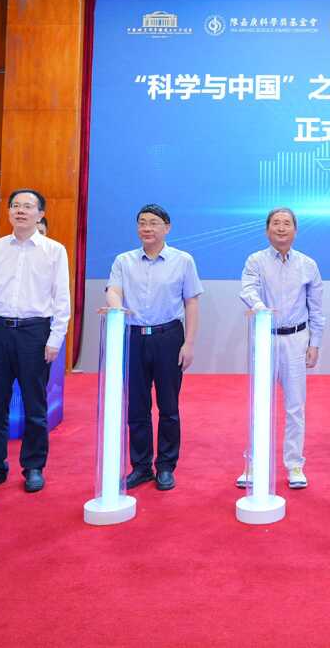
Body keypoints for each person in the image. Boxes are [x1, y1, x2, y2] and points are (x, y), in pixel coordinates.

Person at [0, 189, 70, 494]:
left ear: (40, 214)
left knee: (35, 405)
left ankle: (34, 466)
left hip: (34, 333)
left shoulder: (54, 250)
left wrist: (55, 338)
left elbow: (61, 298)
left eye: (27, 206)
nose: (20, 211)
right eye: (15, 206)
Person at [105, 204, 203, 492]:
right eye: (142, 223)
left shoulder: (182, 260)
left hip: (168, 337)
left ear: (166, 228)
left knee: (168, 406)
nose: (146, 228)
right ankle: (141, 466)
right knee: (137, 406)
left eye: (153, 223)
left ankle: (166, 466)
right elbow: (114, 290)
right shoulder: (124, 261)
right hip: (133, 336)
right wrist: (116, 308)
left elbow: (191, 302)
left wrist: (189, 343)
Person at [236, 207, 325, 490]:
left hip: (296, 339)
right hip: (265, 336)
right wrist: (261, 309)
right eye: (276, 223)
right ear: (267, 230)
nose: (281, 228)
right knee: (260, 403)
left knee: (295, 406)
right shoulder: (256, 261)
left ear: (295, 230)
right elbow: (248, 290)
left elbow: (316, 308)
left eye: (287, 223)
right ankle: (253, 463)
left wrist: (314, 343)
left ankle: (295, 464)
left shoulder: (308, 264)